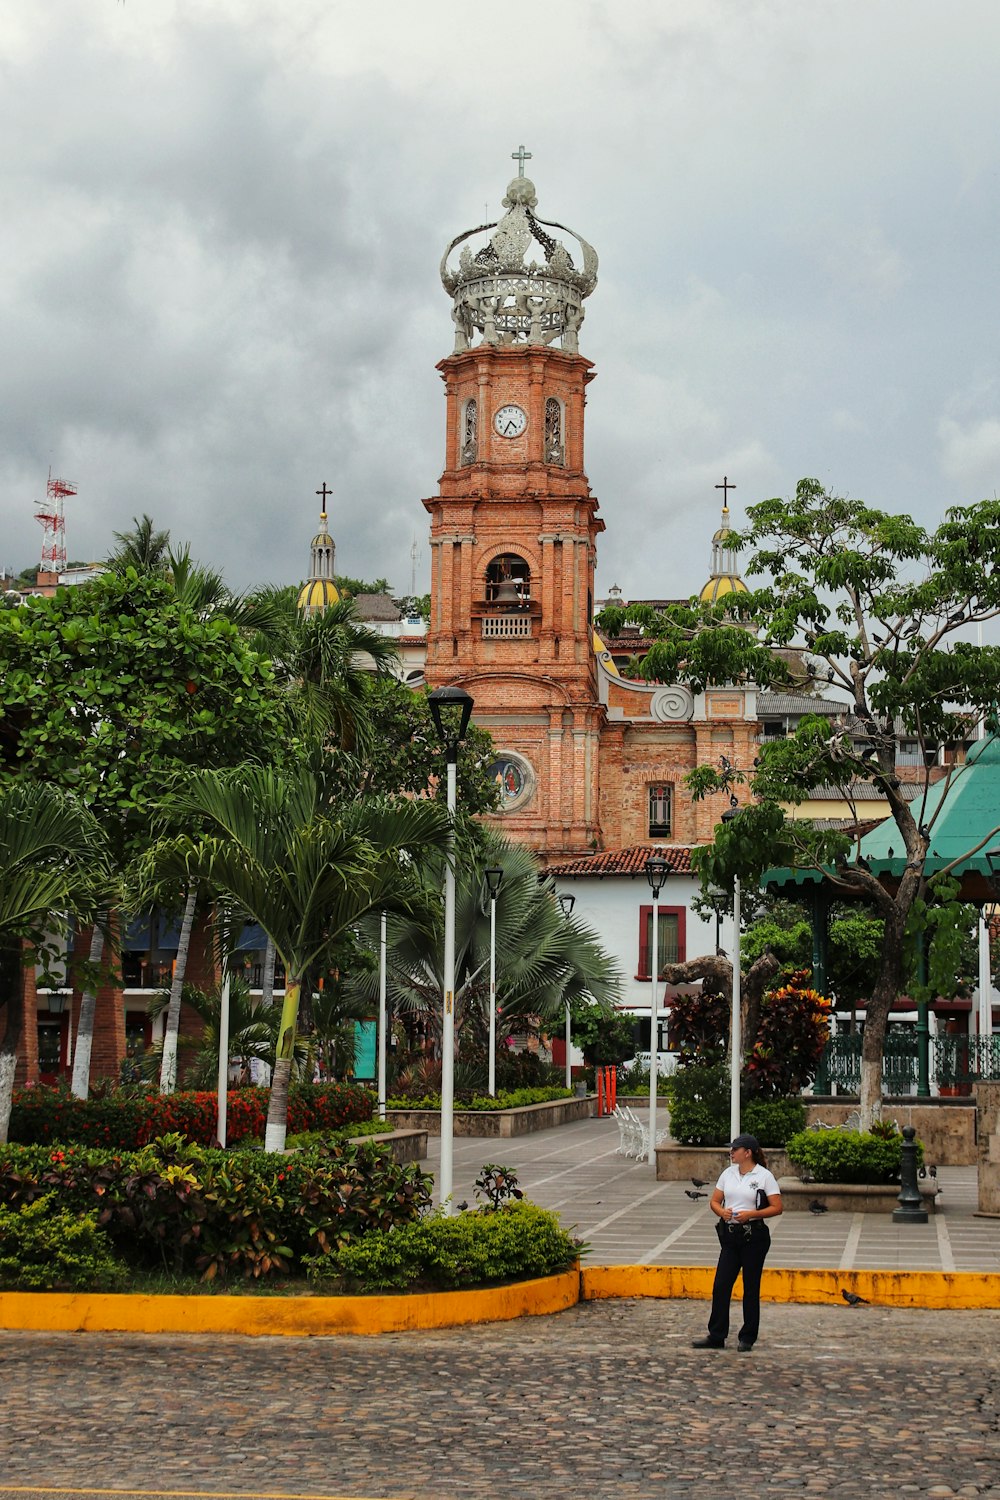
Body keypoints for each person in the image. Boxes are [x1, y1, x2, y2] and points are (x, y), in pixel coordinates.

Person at [692, 1133, 783, 1352]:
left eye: (735, 1149)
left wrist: (751, 1214)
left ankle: (748, 1336)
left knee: (751, 1287)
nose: (731, 1153)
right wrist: (722, 1211)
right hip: (731, 1236)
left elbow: (776, 1207)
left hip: (754, 1237)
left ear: (747, 1153)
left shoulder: (763, 1176)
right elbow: (714, 1200)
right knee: (721, 1285)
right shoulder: (728, 1174)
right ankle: (717, 1334)